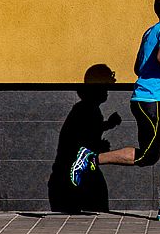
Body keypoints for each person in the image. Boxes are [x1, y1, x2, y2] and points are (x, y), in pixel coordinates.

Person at [69, 0, 160, 221]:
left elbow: (139, 67)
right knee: (147, 156)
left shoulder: (151, 32)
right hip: (152, 101)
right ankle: (90, 158)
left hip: (159, 101)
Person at [48, 64, 121, 213]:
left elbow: (86, 130)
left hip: (72, 176)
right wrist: (99, 145)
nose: (108, 92)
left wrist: (107, 125)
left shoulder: (86, 108)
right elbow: (81, 138)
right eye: (106, 86)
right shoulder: (87, 110)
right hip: (72, 179)